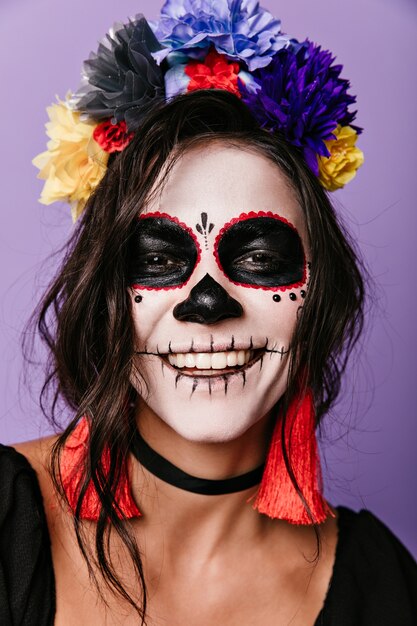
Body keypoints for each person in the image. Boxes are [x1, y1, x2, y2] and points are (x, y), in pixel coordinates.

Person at [1, 2, 416, 625]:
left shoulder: (380, 585)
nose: (207, 303)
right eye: (159, 258)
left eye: (257, 256)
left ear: (320, 294)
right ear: (105, 293)